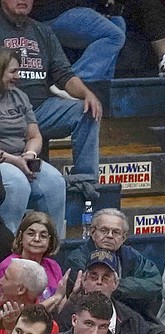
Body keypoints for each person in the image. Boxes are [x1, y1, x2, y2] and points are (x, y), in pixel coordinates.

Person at [0, 0, 103, 181]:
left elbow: (64, 75)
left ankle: (86, 181)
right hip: (6, 111)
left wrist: (87, 94)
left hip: (42, 110)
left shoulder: (43, 32)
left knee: (87, 111)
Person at [63, 209, 162, 323]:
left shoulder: (132, 256)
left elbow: (154, 283)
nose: (109, 236)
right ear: (92, 232)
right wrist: (114, 286)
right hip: (88, 317)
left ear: (124, 237)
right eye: (104, 230)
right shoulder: (77, 258)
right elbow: (93, 289)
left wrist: (115, 286)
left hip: (133, 316)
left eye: (116, 232)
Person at [29, 0, 125, 82]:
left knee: (118, 22)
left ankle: (103, 85)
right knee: (115, 36)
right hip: (54, 11)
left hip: (77, 8)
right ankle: (73, 83)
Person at [0, 212, 66, 313]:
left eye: (43, 236)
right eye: (31, 234)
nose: (36, 239)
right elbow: (14, 312)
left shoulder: (53, 267)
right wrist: (55, 299)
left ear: (50, 240)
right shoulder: (8, 266)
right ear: (21, 236)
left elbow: (62, 304)